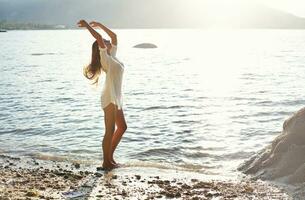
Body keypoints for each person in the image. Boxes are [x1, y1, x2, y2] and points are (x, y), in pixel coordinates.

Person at [77, 19, 127, 170]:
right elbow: (99, 38)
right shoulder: (105, 57)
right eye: (104, 41)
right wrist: (86, 25)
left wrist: (100, 25)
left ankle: (109, 158)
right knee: (110, 130)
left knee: (122, 127)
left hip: (116, 97)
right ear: (101, 47)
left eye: (106, 41)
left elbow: (114, 37)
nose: (107, 41)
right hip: (109, 96)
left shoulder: (112, 56)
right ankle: (106, 162)